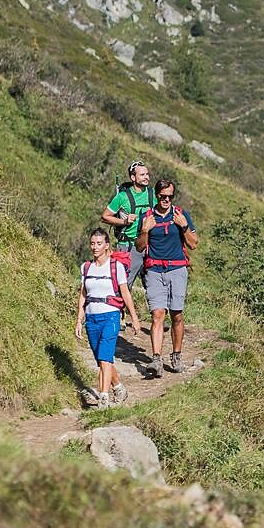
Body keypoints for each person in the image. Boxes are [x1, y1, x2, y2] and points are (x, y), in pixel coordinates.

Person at [137, 177, 198, 375]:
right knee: (157, 315)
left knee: (176, 315)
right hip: (154, 270)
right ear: (156, 196)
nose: (166, 200)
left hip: (177, 270)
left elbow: (193, 244)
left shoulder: (181, 215)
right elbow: (139, 246)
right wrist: (145, 230)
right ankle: (156, 359)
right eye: (163, 196)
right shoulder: (147, 216)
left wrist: (184, 226)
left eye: (170, 196)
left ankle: (177, 355)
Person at [76, 227, 140, 407]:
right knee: (102, 359)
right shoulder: (86, 267)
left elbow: (125, 293)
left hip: (110, 316)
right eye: (92, 243)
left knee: (105, 358)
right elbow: (83, 295)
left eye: (99, 244)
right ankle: (118, 387)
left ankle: (103, 397)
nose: (95, 247)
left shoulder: (116, 266)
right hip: (91, 318)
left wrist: (134, 318)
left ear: (106, 245)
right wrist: (79, 320)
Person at [103, 160, 158, 294]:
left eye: (147, 174)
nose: (147, 177)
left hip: (149, 245)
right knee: (122, 287)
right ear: (133, 177)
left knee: (154, 288)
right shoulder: (122, 197)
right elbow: (105, 216)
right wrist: (124, 222)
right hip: (128, 246)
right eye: (142, 175)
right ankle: (117, 312)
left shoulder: (153, 194)